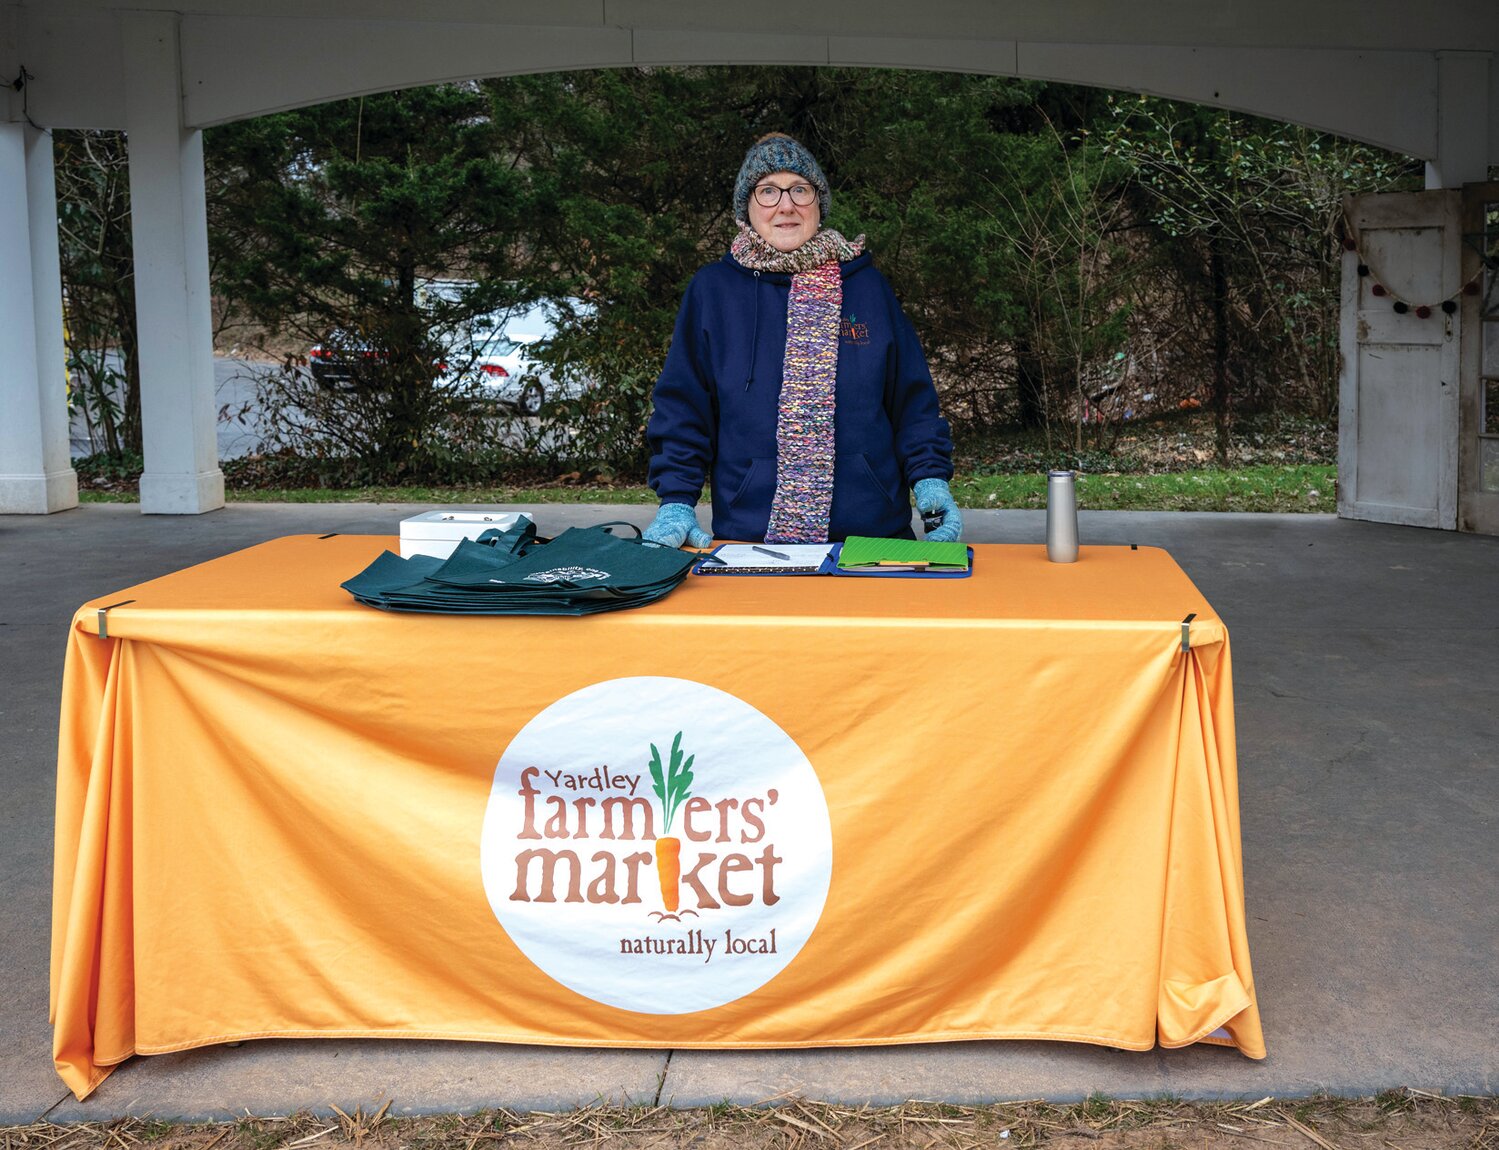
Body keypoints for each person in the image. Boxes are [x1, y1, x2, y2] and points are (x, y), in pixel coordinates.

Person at [642, 133, 962, 549]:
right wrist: (677, 500)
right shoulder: (712, 292)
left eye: (800, 189)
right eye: (768, 191)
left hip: (873, 535)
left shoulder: (867, 287)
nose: (786, 205)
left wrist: (931, 481)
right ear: (747, 207)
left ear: (818, 203)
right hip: (751, 539)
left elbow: (912, 402)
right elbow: (684, 407)